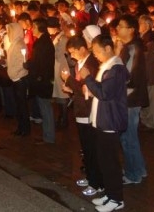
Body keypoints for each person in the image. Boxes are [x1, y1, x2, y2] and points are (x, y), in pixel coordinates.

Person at [82, 34, 129, 212]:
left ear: (108, 48)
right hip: (103, 120)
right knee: (104, 161)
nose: (95, 55)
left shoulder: (115, 68)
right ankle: (110, 194)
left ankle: (117, 199)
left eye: (97, 51)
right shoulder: (107, 66)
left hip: (110, 122)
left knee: (110, 163)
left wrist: (88, 78)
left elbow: (105, 94)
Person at [62, 35, 101, 196]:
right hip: (80, 109)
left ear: (83, 49)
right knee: (85, 148)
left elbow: (87, 89)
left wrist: (69, 80)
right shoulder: (80, 63)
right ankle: (90, 176)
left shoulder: (90, 65)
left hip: (88, 111)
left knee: (91, 148)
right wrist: (71, 89)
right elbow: (80, 89)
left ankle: (96, 182)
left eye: (73, 52)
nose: (71, 56)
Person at [115, 15, 148, 184]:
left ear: (131, 30)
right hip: (131, 97)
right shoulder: (130, 46)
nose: (117, 29)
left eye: (121, 26)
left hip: (129, 98)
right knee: (131, 137)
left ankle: (132, 174)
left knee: (127, 138)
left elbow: (127, 76)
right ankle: (139, 169)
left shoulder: (132, 48)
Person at [26, 18, 55, 144]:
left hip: (42, 81)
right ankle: (47, 135)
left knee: (46, 109)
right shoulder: (43, 42)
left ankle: (49, 137)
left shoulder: (43, 43)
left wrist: (29, 65)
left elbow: (41, 64)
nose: (32, 29)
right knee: (45, 108)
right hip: (43, 80)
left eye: (34, 26)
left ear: (39, 28)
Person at [5, 22, 29, 136]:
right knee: (19, 105)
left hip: (19, 79)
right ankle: (21, 126)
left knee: (22, 105)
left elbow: (21, 63)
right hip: (15, 78)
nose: (8, 33)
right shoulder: (14, 43)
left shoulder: (19, 44)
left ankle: (24, 128)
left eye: (10, 31)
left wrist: (13, 74)